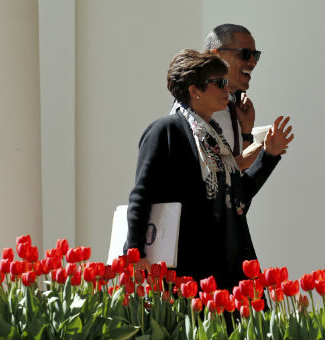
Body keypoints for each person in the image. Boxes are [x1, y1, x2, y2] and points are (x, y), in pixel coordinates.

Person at [124, 50, 294, 290]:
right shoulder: (166, 131)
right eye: (219, 83)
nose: (227, 89)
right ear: (195, 91)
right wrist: (136, 254)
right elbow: (142, 196)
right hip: (187, 272)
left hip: (224, 268)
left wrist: (269, 156)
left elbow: (237, 200)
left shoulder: (215, 141)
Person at [206, 24, 264, 170]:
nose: (253, 62)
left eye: (255, 55)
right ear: (216, 56)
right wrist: (266, 153)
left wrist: (246, 132)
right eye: (245, 54)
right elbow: (206, 176)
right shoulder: (196, 104)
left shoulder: (235, 104)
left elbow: (239, 182)